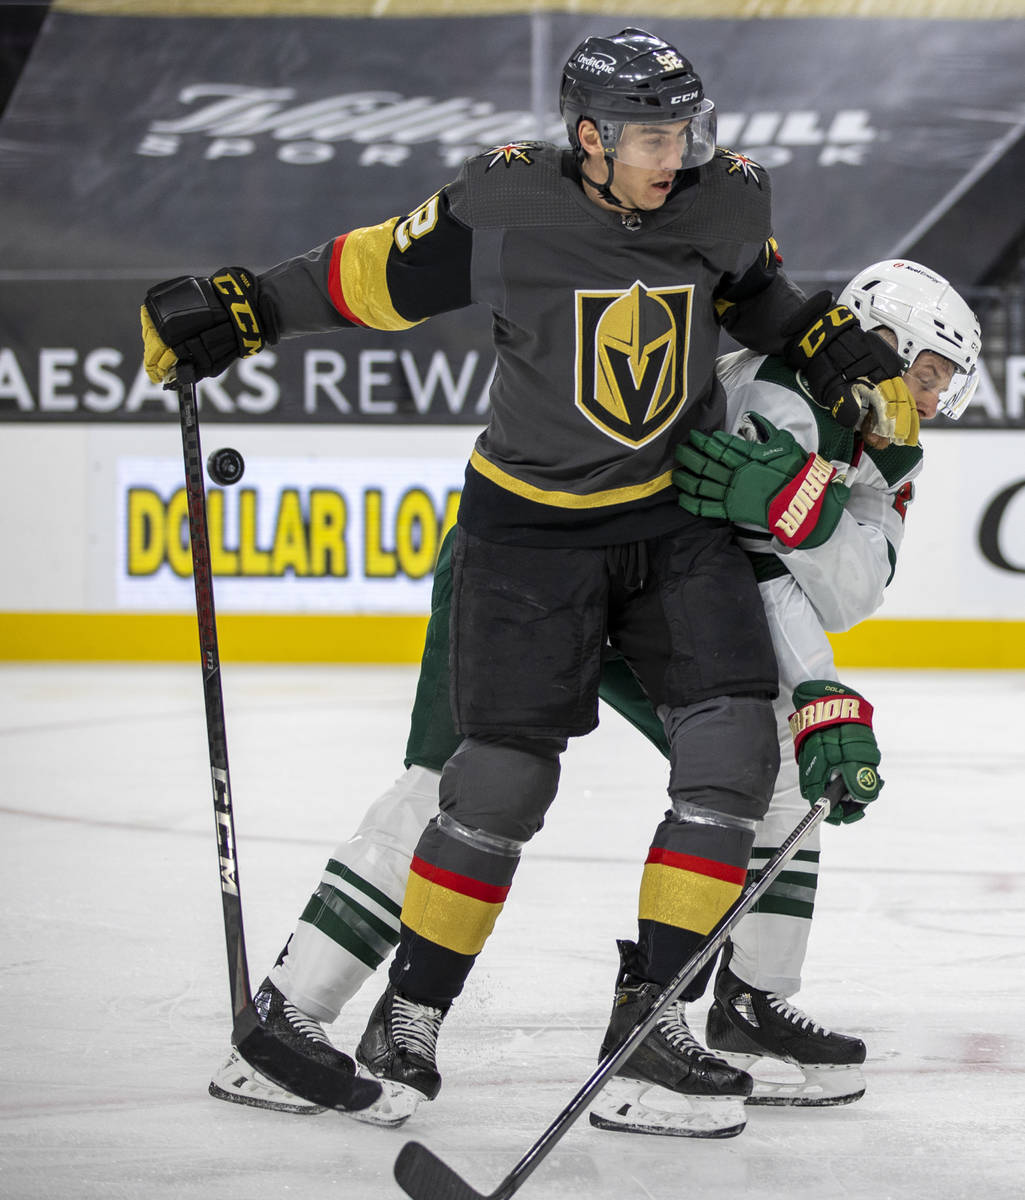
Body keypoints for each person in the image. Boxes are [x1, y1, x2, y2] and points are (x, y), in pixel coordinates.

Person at [142, 29, 914, 1138]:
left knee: (740, 753)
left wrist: (833, 345)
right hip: (527, 541)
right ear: (589, 137)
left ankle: (654, 1026)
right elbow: (367, 276)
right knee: (482, 782)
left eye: (689, 128)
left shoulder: (723, 202)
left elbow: (753, 295)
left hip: (666, 530)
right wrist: (245, 307)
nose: (679, 152)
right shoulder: (507, 208)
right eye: (654, 133)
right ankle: (376, 1018)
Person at [203, 258, 980, 1121]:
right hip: (537, 563)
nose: (935, 396)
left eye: (946, 380)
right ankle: (295, 1006)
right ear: (879, 342)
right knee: (458, 780)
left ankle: (745, 1003)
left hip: (658, 591)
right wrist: (819, 688)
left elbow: (850, 591)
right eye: (927, 370)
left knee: (767, 770)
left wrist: (808, 520)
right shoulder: (779, 398)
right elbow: (764, 578)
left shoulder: (878, 440)